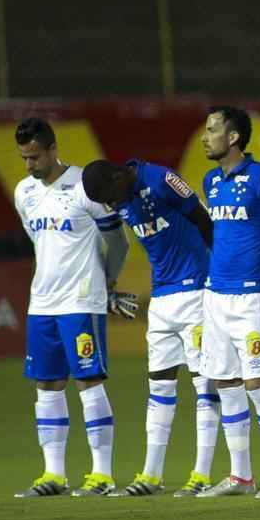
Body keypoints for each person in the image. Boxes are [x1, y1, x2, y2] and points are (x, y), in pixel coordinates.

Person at [80, 158, 218, 497]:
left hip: (196, 289)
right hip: (162, 297)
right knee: (159, 386)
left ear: (118, 177)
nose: (112, 206)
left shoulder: (160, 179)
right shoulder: (121, 196)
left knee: (204, 383)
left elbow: (203, 218)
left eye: (110, 198)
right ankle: (151, 475)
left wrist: (218, 277)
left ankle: (201, 474)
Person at [13, 118, 132, 498]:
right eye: (23, 158)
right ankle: (54, 475)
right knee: (47, 384)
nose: (29, 165)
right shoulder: (23, 193)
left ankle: (101, 474)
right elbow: (38, 241)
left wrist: (108, 282)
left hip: (81, 299)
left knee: (88, 380)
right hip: (42, 302)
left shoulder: (85, 186)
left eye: (34, 157)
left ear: (51, 149)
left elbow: (119, 243)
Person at [196, 106, 260, 498]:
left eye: (212, 130)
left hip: (251, 295)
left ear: (233, 136)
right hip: (215, 295)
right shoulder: (211, 181)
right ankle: (241, 476)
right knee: (226, 384)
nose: (205, 137)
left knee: (257, 382)